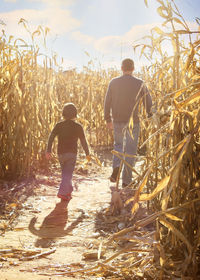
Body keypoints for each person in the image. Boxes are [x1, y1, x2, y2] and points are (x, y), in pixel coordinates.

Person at [104, 58, 152, 187]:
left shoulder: (113, 82)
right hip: (133, 122)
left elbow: (107, 102)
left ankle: (117, 166)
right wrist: (150, 115)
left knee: (118, 145)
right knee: (130, 150)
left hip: (117, 120)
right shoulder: (140, 83)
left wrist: (108, 119)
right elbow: (148, 100)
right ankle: (126, 180)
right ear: (133, 69)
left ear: (121, 68)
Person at [46, 103, 90, 202]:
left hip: (61, 154)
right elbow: (83, 141)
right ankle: (62, 193)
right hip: (72, 154)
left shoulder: (59, 125)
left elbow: (51, 137)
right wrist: (87, 153)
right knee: (68, 174)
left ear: (63, 114)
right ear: (75, 114)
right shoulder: (78, 126)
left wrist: (48, 150)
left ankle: (68, 191)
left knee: (65, 173)